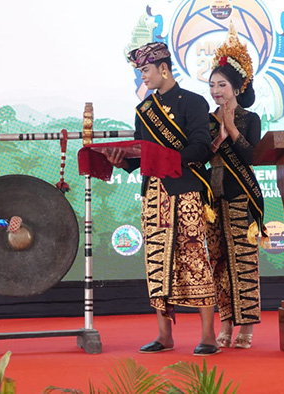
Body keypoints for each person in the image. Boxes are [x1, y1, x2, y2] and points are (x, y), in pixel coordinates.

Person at [104, 42, 219, 356]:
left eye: (145, 70)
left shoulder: (194, 103)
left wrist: (169, 160)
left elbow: (201, 147)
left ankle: (208, 335)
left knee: (195, 258)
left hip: (186, 190)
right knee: (156, 261)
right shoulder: (144, 110)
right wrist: (122, 161)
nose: (143, 76)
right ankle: (164, 335)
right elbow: (142, 155)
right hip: (153, 193)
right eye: (141, 71)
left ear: (163, 68)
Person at [206, 25, 263, 350]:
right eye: (212, 85)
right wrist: (217, 133)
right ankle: (225, 323)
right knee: (219, 266)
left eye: (222, 84)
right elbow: (200, 155)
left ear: (237, 87)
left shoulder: (249, 118)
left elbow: (251, 154)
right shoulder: (205, 120)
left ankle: (247, 330)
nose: (216, 91)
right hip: (212, 201)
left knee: (243, 264)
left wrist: (230, 127)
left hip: (242, 197)